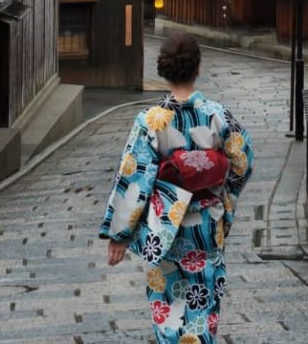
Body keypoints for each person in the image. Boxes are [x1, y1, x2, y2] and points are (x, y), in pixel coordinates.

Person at [98, 33, 252, 344]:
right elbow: (242, 163)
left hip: (164, 226)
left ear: (164, 72)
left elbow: (134, 177)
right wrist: (224, 204)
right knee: (203, 298)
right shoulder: (217, 116)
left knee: (167, 303)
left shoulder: (150, 121)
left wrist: (120, 235)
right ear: (198, 68)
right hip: (206, 224)